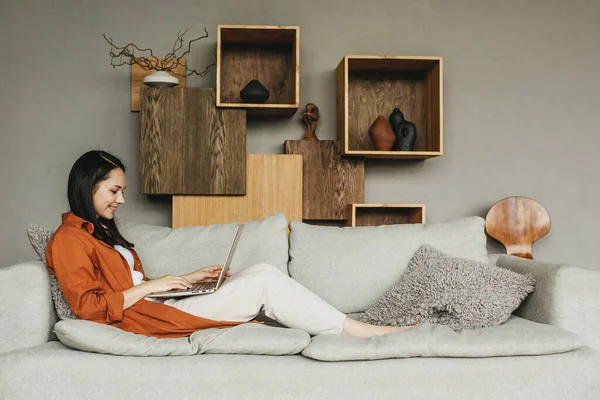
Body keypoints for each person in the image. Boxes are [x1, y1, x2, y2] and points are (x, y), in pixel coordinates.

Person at [46, 150, 417, 339]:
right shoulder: (68, 240)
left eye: (122, 191)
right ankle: (364, 332)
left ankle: (348, 326)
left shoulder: (101, 233)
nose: (121, 200)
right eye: (114, 191)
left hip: (155, 304)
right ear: (88, 186)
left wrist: (187, 280)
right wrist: (153, 286)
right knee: (265, 284)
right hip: (148, 319)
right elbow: (90, 309)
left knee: (260, 271)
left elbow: (129, 285)